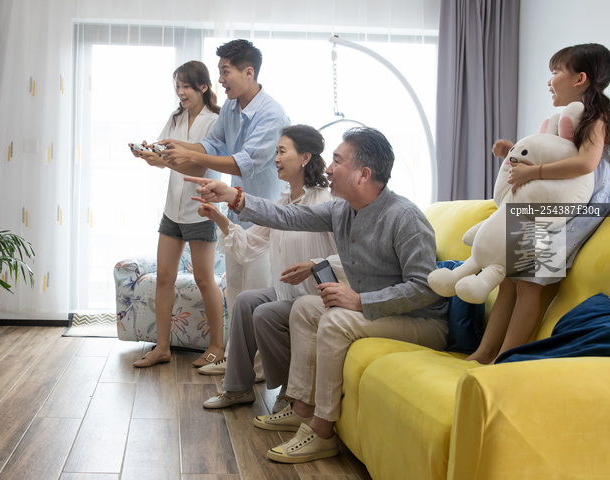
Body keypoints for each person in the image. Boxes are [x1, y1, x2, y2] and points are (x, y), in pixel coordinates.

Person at [186, 127, 449, 464]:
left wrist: (360, 301)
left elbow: (425, 288)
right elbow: (287, 216)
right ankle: (302, 407)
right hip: (383, 314)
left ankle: (322, 432)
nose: (328, 168)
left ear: (363, 174)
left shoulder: (404, 216)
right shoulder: (342, 210)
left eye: (337, 161)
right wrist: (234, 197)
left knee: (336, 319)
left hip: (420, 322)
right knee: (307, 306)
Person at [466, 43, 610, 365]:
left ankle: (504, 359)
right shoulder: (565, 119)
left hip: (578, 208)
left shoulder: (596, 115)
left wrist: (534, 173)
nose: (550, 80)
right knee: (508, 277)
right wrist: (513, 151)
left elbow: (586, 163)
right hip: (553, 204)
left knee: (528, 283)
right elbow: (553, 155)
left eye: (556, 72)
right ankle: (485, 351)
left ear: (580, 78)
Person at [159, 39, 290, 371]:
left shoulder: (271, 114)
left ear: (249, 72)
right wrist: (177, 148)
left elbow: (244, 163)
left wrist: (189, 154)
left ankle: (256, 369)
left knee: (256, 297)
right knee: (236, 294)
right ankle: (234, 361)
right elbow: (213, 144)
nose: (220, 80)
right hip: (237, 216)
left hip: (265, 218)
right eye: (219, 71)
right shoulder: (231, 108)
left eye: (225, 71)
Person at [196, 125, 343, 413]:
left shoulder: (327, 202)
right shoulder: (283, 202)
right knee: (246, 301)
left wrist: (315, 265)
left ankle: (289, 392)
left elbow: (347, 257)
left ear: (305, 157)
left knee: (264, 311)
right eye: (275, 151)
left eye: (282, 151)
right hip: (285, 293)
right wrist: (219, 218)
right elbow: (249, 246)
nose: (275, 158)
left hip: (314, 297)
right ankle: (237, 388)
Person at [129, 61, 225, 368]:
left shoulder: (215, 121)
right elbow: (162, 156)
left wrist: (165, 159)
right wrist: (147, 154)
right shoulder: (176, 117)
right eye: (177, 86)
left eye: (186, 86)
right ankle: (161, 348)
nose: (180, 92)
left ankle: (217, 347)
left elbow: (200, 165)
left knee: (204, 279)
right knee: (164, 278)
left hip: (200, 209)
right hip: (172, 210)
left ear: (203, 87)